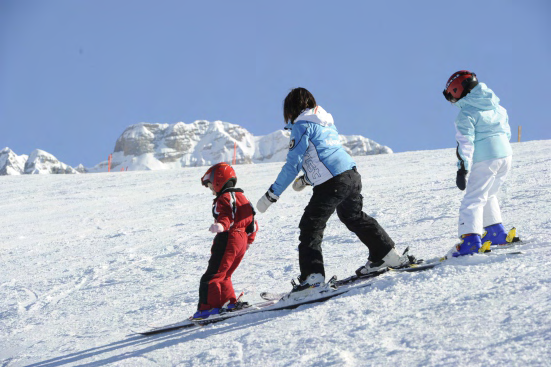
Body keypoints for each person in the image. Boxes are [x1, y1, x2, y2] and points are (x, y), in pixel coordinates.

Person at [256, 87, 412, 299]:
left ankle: (312, 278)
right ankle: (386, 254)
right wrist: (307, 179)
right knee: (353, 216)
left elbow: (293, 164)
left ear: (292, 109)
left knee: (311, 224)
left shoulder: (302, 125)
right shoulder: (326, 122)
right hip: (351, 175)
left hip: (333, 181)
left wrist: (271, 195)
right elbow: (325, 155)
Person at [442, 70, 514, 257]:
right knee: (489, 194)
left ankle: (470, 242)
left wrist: (463, 168)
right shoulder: (498, 107)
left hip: (485, 159)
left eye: (452, 95)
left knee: (473, 199)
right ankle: (495, 232)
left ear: (458, 90)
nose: (453, 100)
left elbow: (465, 142)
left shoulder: (467, 113)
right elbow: (507, 133)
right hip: (505, 156)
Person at [192, 162, 258, 319]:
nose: (212, 190)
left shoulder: (224, 197)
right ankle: (229, 302)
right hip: (241, 240)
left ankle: (208, 309)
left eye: (210, 186)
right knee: (225, 274)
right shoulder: (243, 197)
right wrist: (249, 240)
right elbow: (253, 221)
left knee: (212, 276)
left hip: (228, 237)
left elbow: (226, 214)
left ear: (218, 180)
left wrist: (222, 225)